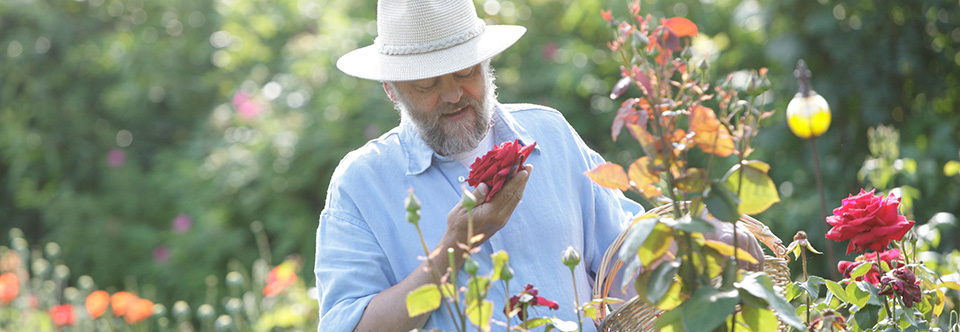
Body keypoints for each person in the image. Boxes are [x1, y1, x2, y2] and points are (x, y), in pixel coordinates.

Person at [315, 0, 760, 331]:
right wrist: (453, 247)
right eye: (427, 84)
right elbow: (349, 325)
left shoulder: (549, 135)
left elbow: (624, 253)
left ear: (487, 65)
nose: (452, 95)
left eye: (466, 73)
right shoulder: (362, 183)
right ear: (392, 90)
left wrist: (703, 238)